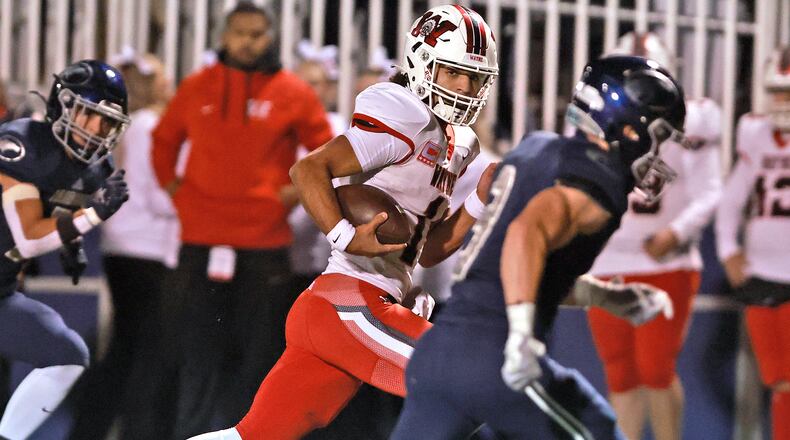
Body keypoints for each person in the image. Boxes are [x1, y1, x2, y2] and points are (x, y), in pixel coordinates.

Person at [190, 5, 502, 439]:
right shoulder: (404, 113)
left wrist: (479, 202)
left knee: (252, 436)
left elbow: (427, 250)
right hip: (350, 303)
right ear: (422, 61)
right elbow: (309, 171)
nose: (466, 87)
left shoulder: (459, 141)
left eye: (475, 78)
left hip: (347, 306)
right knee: (470, 380)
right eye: (453, 73)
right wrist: (345, 235)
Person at [390, 55, 686, 439]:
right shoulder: (596, 184)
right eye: (658, 137)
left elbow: (512, 271)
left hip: (437, 356)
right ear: (628, 126)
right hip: (494, 357)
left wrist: (606, 297)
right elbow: (526, 234)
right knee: (596, 428)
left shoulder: (537, 149)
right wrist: (521, 339)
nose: (658, 153)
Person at [150, 1, 334, 437]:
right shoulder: (197, 86)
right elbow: (162, 143)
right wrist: (180, 195)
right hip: (199, 242)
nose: (248, 42)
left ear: (269, 38)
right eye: (240, 33)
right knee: (195, 357)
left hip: (265, 245)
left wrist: (287, 196)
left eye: (257, 34)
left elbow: (326, 150)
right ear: (224, 37)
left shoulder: (292, 91)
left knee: (259, 361)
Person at [586, 32, 723, 440]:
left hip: (664, 260)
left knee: (656, 370)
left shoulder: (693, 118)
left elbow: (710, 190)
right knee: (620, 372)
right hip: (608, 260)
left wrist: (676, 232)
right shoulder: (598, 117)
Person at [0, 59, 130, 440]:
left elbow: (56, 205)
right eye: (89, 115)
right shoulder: (21, 144)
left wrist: (71, 241)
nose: (96, 129)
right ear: (64, 104)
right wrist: (91, 216)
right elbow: (28, 236)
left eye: (107, 121)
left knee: (68, 355)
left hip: (3, 291)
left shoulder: (94, 169)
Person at [67, 50, 177, 440]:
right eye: (163, 77)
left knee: (128, 349)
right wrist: (197, 200)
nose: (169, 83)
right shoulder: (149, 125)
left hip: (127, 247)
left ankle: (92, 428)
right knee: (139, 353)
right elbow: (156, 195)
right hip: (144, 250)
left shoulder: (133, 125)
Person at [716, 45, 790, 440]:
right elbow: (733, 197)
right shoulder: (755, 133)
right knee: (778, 379)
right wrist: (728, 249)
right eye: (777, 91)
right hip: (762, 270)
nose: (783, 102)